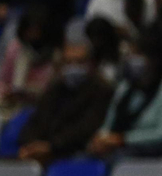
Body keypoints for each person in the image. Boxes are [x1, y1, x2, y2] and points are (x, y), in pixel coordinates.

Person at [90, 36, 162, 159]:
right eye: (130, 55)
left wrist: (123, 140)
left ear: (154, 59)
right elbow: (109, 124)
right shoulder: (124, 88)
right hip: (127, 155)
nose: (131, 59)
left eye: (137, 54)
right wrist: (101, 139)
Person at [17, 37, 115, 166]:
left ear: (91, 63)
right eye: (68, 62)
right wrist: (31, 145)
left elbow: (87, 128)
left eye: (79, 62)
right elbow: (36, 121)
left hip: (75, 153)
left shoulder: (102, 90)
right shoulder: (54, 89)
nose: (73, 67)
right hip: (44, 152)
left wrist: (51, 147)